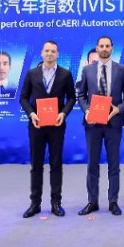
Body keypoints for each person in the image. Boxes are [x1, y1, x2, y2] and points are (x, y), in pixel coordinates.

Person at [76, 35, 124, 216]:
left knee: (113, 164)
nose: (104, 49)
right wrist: (86, 110)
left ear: (112, 48)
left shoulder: (121, 69)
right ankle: (92, 201)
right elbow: (81, 95)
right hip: (92, 123)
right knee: (92, 164)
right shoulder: (87, 70)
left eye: (107, 46)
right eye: (101, 46)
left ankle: (113, 202)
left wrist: (119, 109)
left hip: (113, 122)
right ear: (97, 48)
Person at [19, 41, 76, 218]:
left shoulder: (65, 74)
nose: (49, 53)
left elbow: (72, 98)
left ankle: (56, 203)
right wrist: (31, 114)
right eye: (47, 50)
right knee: (36, 164)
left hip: (57, 125)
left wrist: (63, 113)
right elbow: (23, 98)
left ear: (57, 54)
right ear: (41, 53)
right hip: (36, 125)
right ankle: (35, 203)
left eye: (53, 51)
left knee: (56, 164)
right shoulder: (32, 73)